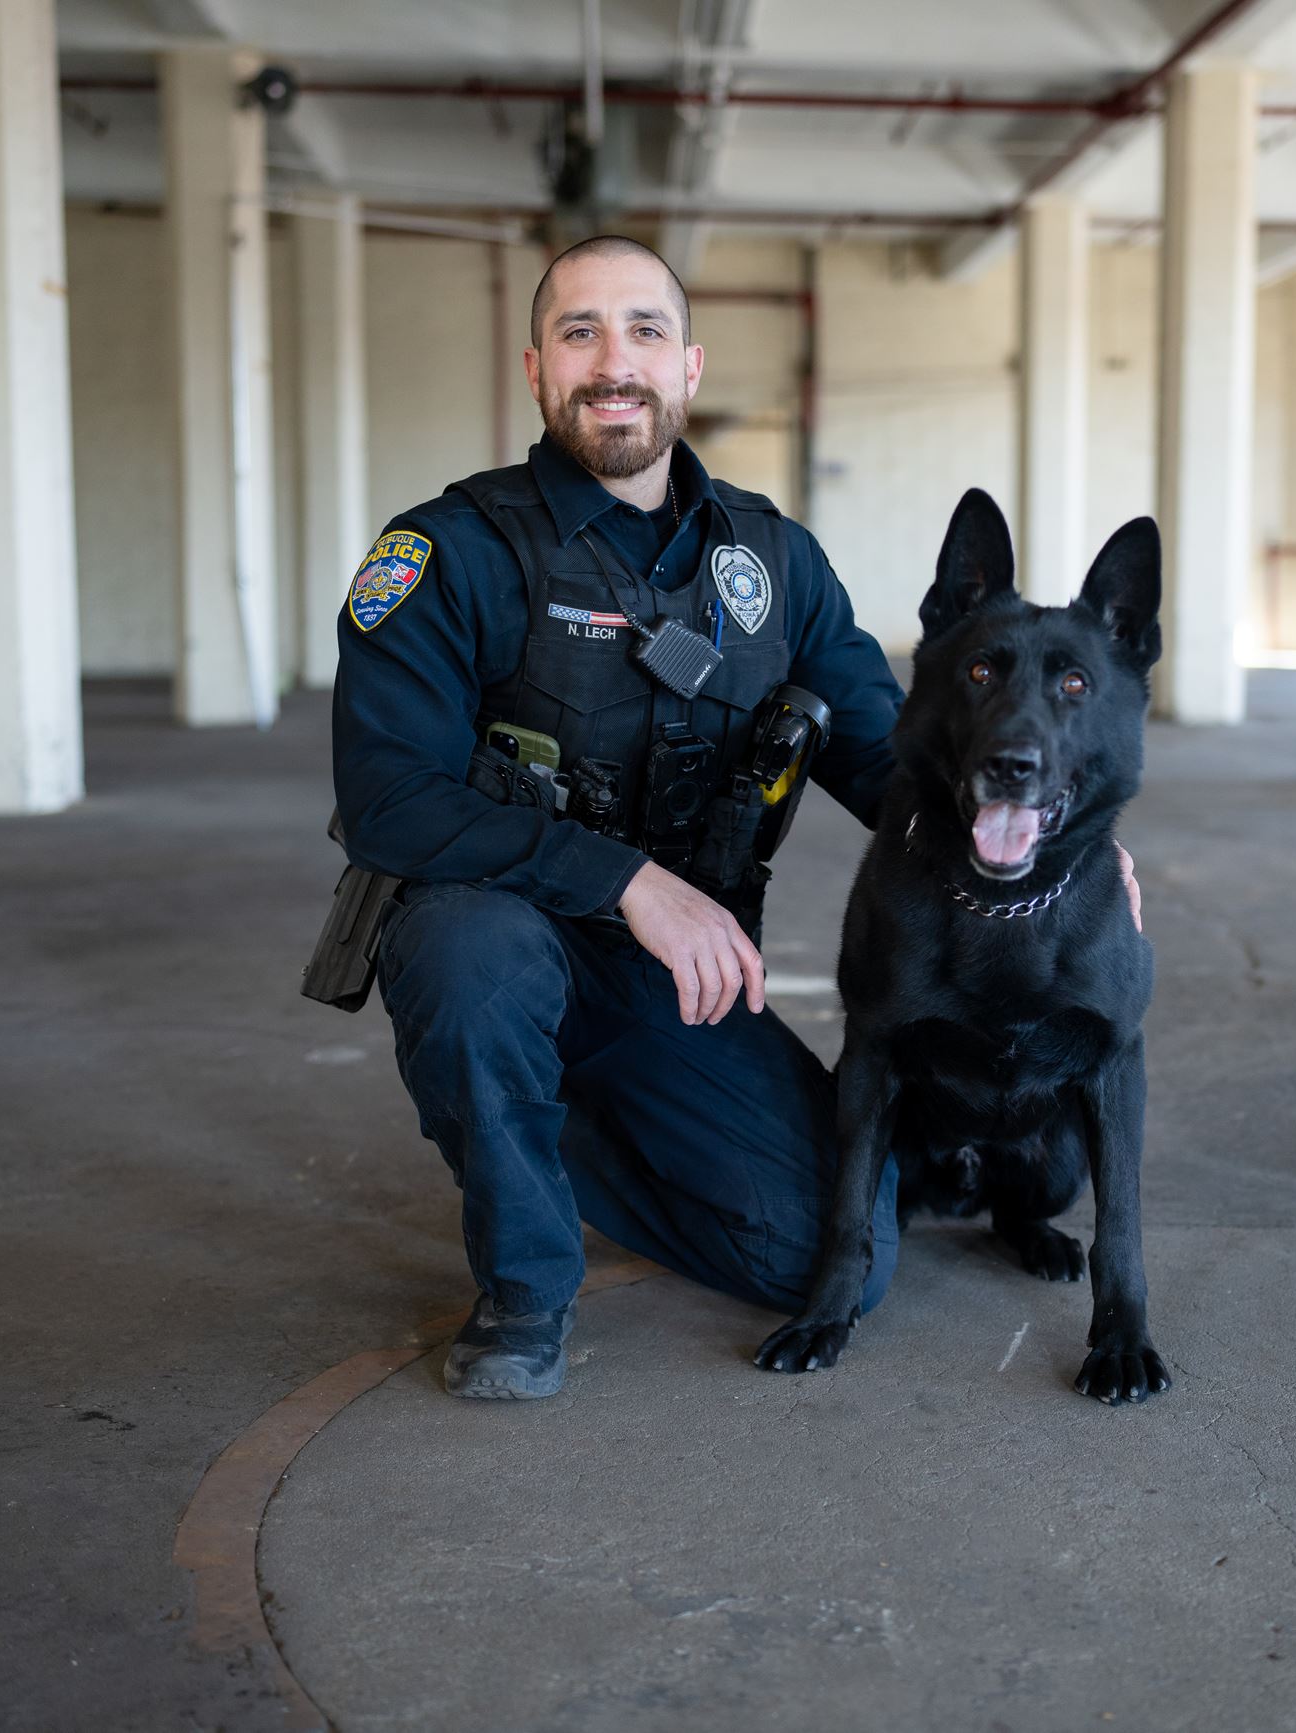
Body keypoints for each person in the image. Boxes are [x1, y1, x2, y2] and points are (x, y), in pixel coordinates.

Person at [333, 235, 1139, 1400]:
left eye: (644, 331)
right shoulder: (446, 553)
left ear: (689, 365)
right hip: (504, 934)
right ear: (534, 368)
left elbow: (893, 756)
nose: (614, 362)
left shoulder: (772, 561)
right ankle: (521, 1281)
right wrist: (628, 881)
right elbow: (387, 801)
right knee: (472, 956)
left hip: (680, 980)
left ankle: (544, 1123)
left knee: (831, 1261)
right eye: (580, 333)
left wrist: (1061, 840)